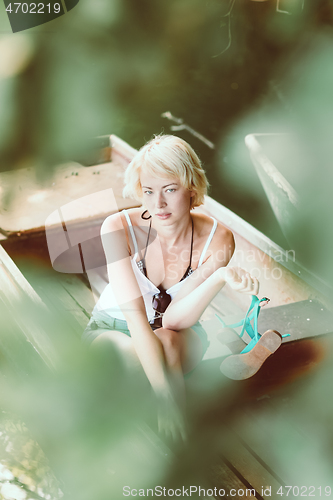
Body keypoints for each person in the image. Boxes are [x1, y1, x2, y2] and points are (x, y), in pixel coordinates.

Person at [82, 135, 259, 440]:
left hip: (179, 334)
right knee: (136, 356)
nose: (158, 204)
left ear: (191, 188)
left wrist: (218, 278)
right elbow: (136, 318)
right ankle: (172, 404)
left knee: (167, 340)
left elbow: (174, 321)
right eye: (148, 191)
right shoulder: (117, 228)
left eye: (170, 190)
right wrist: (167, 399)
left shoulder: (217, 240)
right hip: (115, 330)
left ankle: (158, 414)